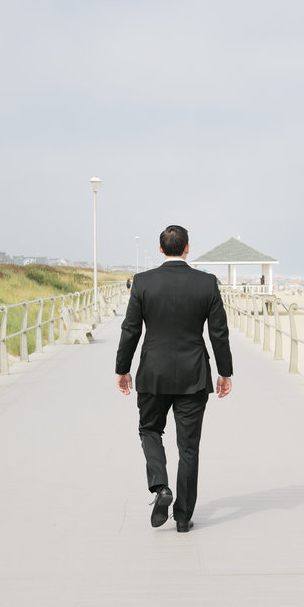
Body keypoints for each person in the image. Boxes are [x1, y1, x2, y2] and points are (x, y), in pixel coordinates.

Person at [115, 225, 233, 533]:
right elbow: (219, 332)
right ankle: (182, 517)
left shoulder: (143, 282)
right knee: (189, 448)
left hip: (153, 373)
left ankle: (160, 487)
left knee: (149, 430)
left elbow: (131, 329)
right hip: (193, 375)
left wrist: (122, 369)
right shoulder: (207, 283)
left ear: (160, 249)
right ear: (187, 248)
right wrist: (225, 372)